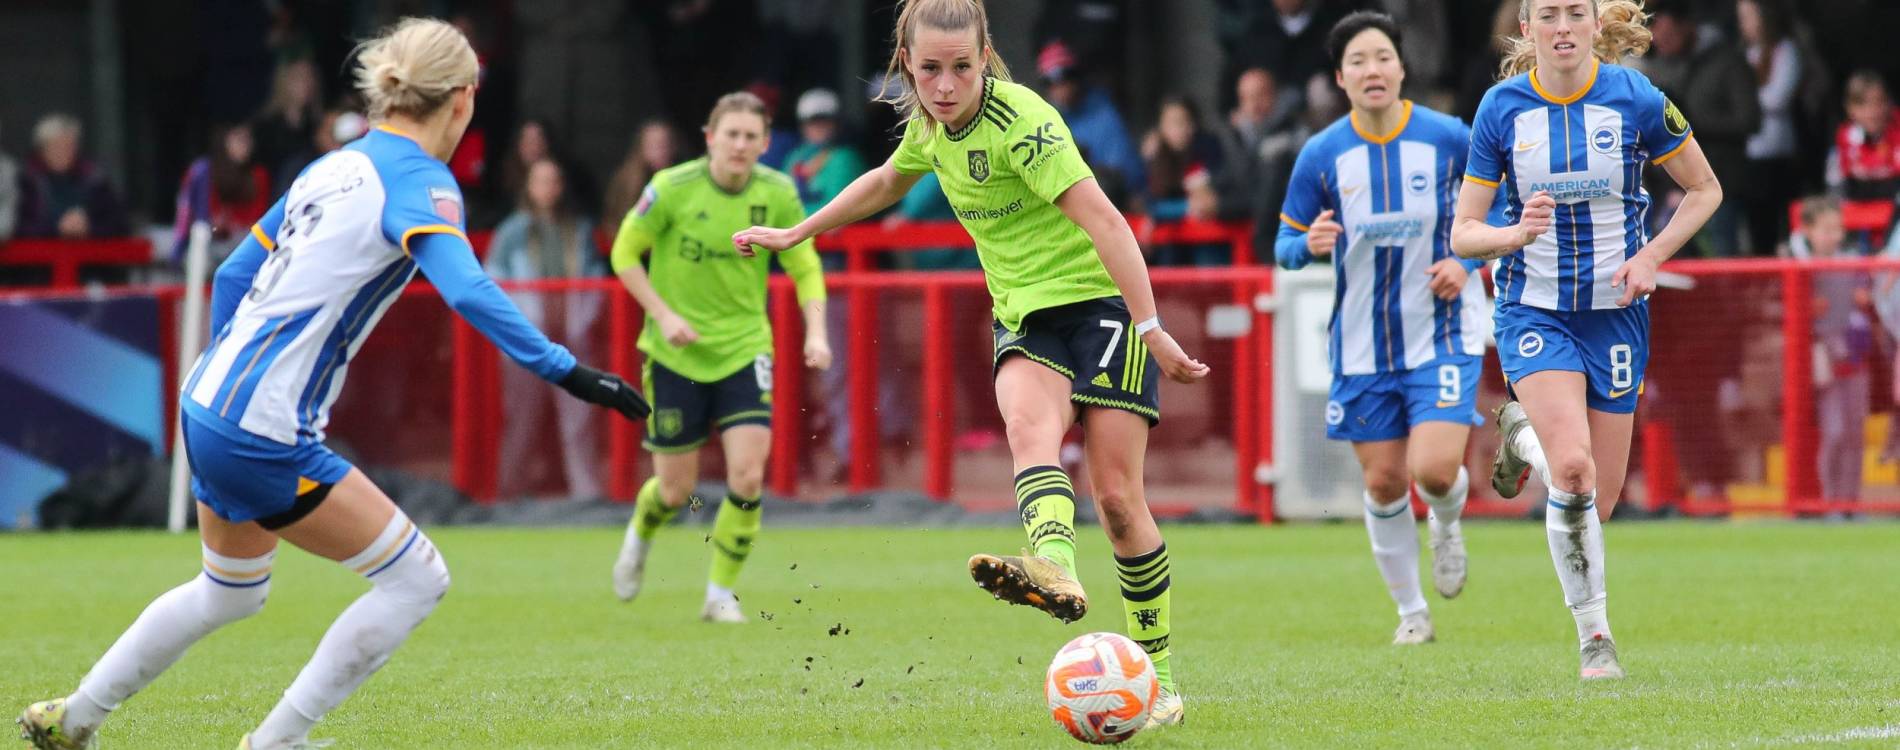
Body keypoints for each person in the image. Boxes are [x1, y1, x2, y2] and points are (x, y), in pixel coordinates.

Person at [15, 18, 648, 750]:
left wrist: (237, 376)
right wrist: (571, 373)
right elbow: (470, 292)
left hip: (208, 400)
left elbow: (232, 274)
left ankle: (76, 719)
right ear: (464, 100)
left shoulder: (333, 166)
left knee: (229, 593)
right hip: (261, 428)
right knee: (418, 579)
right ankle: (276, 742)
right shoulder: (423, 184)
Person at [732, 0, 1208, 728]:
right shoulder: (928, 127)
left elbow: (1107, 220)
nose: (945, 85)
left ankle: (1163, 680)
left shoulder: (1025, 123)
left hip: (1101, 307)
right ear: (908, 68)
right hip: (1025, 314)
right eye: (929, 70)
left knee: (1116, 500)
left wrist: (1152, 327)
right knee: (1027, 426)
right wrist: (802, 229)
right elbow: (888, 181)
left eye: (961, 67)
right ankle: (1053, 566)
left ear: (986, 58)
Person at [1453, 0, 1721, 680]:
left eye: (1576, 12)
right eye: (1549, 15)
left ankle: (1521, 439)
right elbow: (1463, 233)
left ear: (1597, 24)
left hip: (1616, 315)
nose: (1563, 26)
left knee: (1595, 504)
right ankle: (1595, 641)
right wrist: (1513, 236)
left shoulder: (1636, 97)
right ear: (1527, 29)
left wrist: (1653, 255)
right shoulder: (1501, 109)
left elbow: (1705, 189)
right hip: (1534, 309)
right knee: (1572, 471)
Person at [1275, 11, 1489, 647]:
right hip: (1362, 344)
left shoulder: (1449, 137)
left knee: (1435, 471)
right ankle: (1412, 613)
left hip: (1441, 332)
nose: (1373, 70)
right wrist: (1306, 244)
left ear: (1401, 67)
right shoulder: (1321, 154)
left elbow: (1498, 209)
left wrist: (1466, 260)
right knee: (1384, 481)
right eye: (1359, 62)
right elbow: (1284, 243)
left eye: (1383, 57)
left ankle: (1447, 522)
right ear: (1341, 78)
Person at [608, 92, 832, 624]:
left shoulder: (777, 193)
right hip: (674, 354)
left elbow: (804, 265)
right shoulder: (671, 188)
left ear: (764, 143)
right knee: (675, 490)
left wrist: (816, 332)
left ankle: (719, 592)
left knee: (749, 477)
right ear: (710, 137)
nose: (740, 145)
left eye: (751, 136)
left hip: (744, 347)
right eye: (730, 134)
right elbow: (623, 252)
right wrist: (663, 315)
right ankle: (641, 533)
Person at [486, 158, 609, 500]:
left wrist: (584, 320)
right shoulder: (512, 232)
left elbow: (595, 281)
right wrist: (520, 327)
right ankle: (508, 494)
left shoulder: (578, 229)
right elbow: (493, 281)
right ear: (528, 185)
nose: (547, 189)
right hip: (526, 340)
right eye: (540, 181)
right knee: (521, 419)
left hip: (572, 337)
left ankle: (587, 496)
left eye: (553, 181)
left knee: (579, 420)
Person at [170, 123, 273, 264]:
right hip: (209, 245)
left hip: (243, 244)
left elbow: (259, 218)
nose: (245, 146)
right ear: (224, 140)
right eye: (238, 139)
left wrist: (235, 226)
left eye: (248, 140)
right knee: (200, 235)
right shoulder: (204, 172)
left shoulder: (258, 175)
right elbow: (193, 218)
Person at [16, 114, 130, 239]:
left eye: (68, 146)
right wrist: (56, 228)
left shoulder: (95, 179)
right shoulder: (25, 182)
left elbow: (119, 223)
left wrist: (88, 227)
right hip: (40, 256)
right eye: (55, 146)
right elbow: (17, 227)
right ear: (41, 149)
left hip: (90, 255)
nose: (62, 152)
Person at [601, 120, 679, 228]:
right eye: (654, 145)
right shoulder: (626, 181)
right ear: (641, 146)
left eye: (666, 144)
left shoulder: (684, 178)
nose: (662, 150)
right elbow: (614, 220)